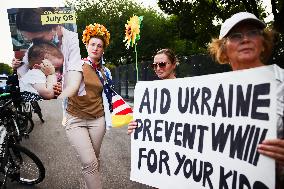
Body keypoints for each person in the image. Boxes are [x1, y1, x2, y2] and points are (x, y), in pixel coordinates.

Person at [208, 12, 284, 188]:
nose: (245, 39)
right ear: (223, 48)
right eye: (236, 36)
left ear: (262, 42)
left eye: (252, 33)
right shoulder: (210, 91)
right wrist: (146, 128)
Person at [63, 23, 112, 189]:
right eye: (93, 44)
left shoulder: (105, 72)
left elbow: (108, 96)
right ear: (86, 45)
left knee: (94, 159)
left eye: (99, 46)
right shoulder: (74, 64)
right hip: (75, 119)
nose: (96, 48)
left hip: (97, 120)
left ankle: (89, 184)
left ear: (103, 49)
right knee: (90, 162)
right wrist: (19, 68)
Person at [12, 7, 83, 98]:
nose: (35, 44)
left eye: (38, 39)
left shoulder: (72, 41)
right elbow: (22, 75)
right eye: (31, 40)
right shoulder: (34, 47)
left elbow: (73, 85)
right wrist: (16, 67)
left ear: (53, 27)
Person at [128, 48, 178, 134]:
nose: (158, 68)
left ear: (173, 65)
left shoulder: (185, 91)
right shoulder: (149, 92)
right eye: (155, 65)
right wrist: (134, 127)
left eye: (162, 64)